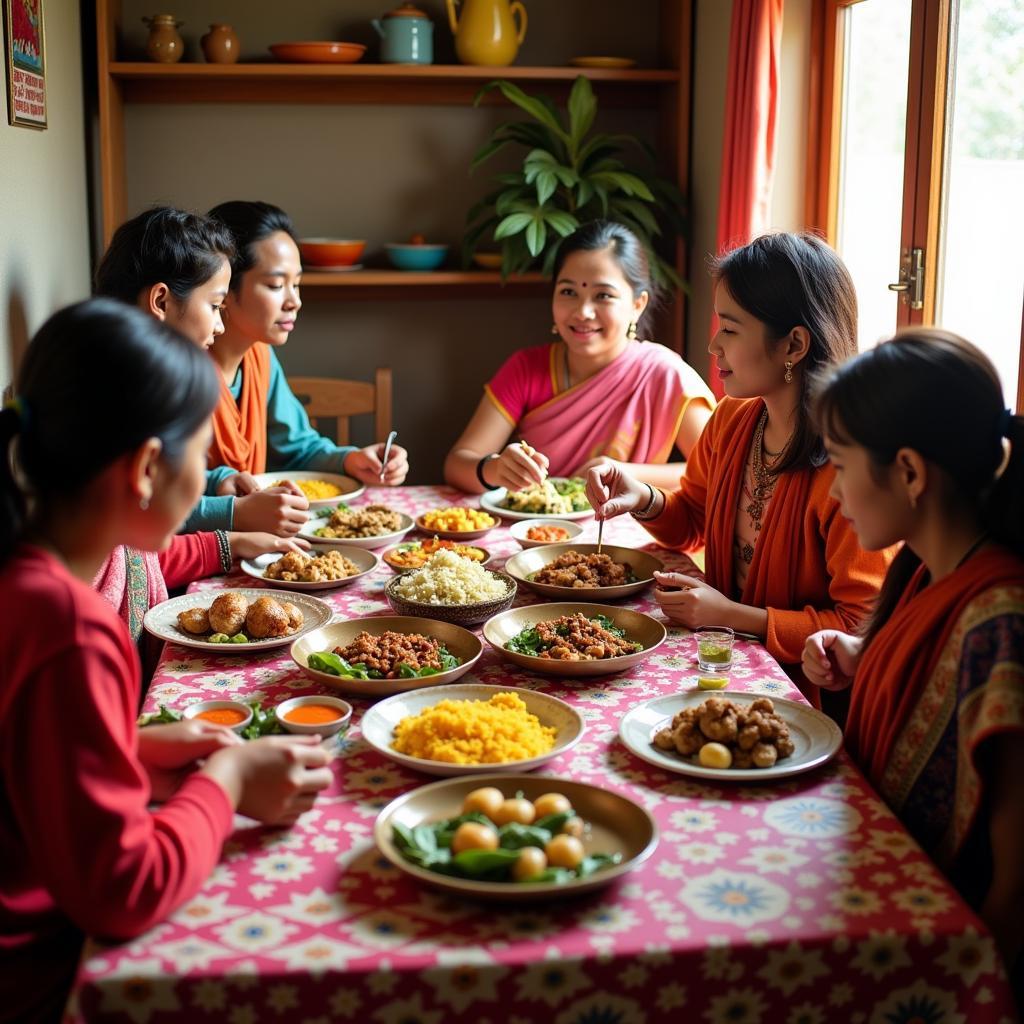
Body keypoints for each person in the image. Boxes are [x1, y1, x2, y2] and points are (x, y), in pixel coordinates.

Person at [0, 299, 333, 1022]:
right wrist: (229, 779)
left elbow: (25, 769)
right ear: (149, 467)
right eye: (202, 451)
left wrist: (130, 749)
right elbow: (122, 891)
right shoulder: (69, 629)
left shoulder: (24, 581)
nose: (210, 471)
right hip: (37, 976)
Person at [802, 329, 1024, 993]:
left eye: (840, 466)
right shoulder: (923, 568)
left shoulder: (1001, 620)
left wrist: (957, 993)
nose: (835, 492)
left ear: (908, 472)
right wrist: (860, 656)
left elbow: (1017, 882)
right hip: (873, 888)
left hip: (935, 955)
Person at [585, 232, 892, 695]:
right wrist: (644, 499)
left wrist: (730, 615)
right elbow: (693, 520)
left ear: (793, 346)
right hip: (726, 662)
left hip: (808, 692)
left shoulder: (850, 464)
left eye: (730, 328)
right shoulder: (733, 419)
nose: (713, 346)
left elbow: (859, 625)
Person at [94, 208, 308, 660]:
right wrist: (230, 538)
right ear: (161, 301)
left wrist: (218, 482)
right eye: (214, 305)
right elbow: (142, 543)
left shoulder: (136, 388)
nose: (219, 323)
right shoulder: (125, 408)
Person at [444, 220, 715, 494]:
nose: (583, 312)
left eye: (603, 296)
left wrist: (624, 473)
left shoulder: (664, 374)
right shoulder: (526, 368)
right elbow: (457, 465)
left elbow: (721, 468)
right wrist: (496, 469)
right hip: (538, 533)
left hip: (628, 533)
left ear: (637, 305)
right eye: (569, 292)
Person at [201, 200, 409, 534]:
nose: (294, 300)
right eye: (274, 285)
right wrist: (232, 508)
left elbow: (297, 448)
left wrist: (350, 460)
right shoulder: (180, 372)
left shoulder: (260, 357)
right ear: (223, 287)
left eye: (295, 283)